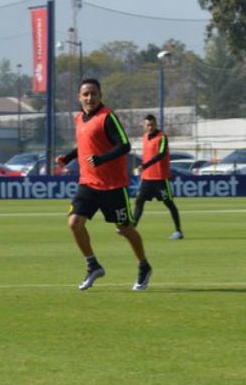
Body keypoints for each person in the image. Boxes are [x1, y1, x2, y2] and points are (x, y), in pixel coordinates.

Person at [55, 78, 153, 291]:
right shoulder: (79, 119)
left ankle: (144, 265)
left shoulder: (107, 117)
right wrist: (68, 158)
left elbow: (124, 145)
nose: (90, 98)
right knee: (74, 223)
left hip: (113, 186)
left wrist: (101, 159)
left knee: (125, 229)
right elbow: (84, 146)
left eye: (94, 94)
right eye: (86, 94)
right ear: (79, 97)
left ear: (100, 96)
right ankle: (93, 265)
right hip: (88, 183)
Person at [133, 115, 184, 240]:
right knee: (139, 201)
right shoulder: (144, 137)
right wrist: (143, 171)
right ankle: (132, 228)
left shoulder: (162, 137)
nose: (150, 127)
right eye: (147, 125)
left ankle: (178, 231)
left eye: (152, 124)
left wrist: (145, 165)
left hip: (160, 179)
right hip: (147, 179)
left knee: (169, 204)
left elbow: (161, 154)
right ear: (144, 126)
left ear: (155, 124)